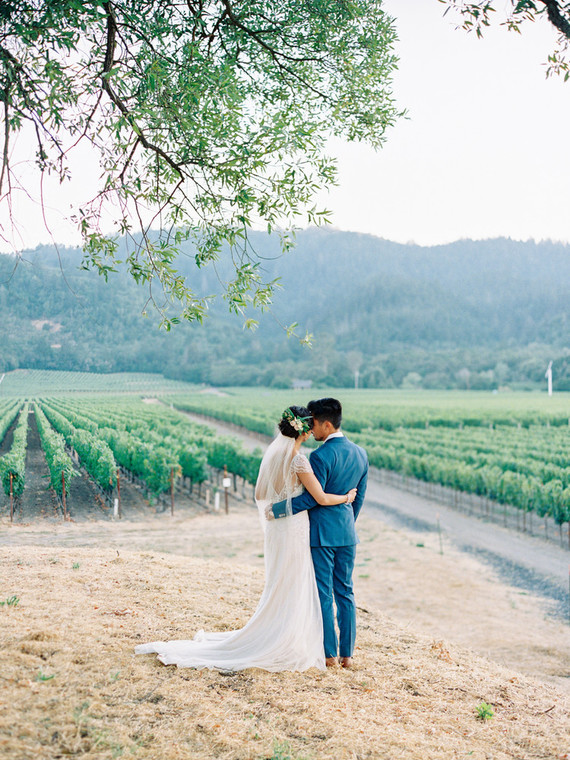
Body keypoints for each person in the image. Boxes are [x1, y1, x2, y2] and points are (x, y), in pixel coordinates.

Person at [134, 405, 356, 672]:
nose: (311, 432)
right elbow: (317, 498)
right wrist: (346, 498)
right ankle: (292, 639)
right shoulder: (299, 461)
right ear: (303, 430)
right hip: (296, 527)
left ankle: (284, 633)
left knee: (282, 580)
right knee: (297, 581)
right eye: (308, 427)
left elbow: (262, 493)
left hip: (279, 528)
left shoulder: (274, 456)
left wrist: (277, 509)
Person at [269, 398, 368, 669]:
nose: (311, 428)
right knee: (346, 592)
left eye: (314, 423)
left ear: (326, 424)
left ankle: (329, 655)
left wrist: (277, 509)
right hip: (347, 534)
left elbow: (314, 498)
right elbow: (358, 500)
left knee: (324, 593)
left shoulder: (320, 456)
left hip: (322, 534)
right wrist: (346, 524)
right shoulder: (361, 453)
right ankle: (348, 655)